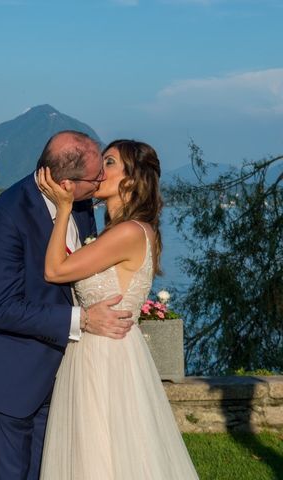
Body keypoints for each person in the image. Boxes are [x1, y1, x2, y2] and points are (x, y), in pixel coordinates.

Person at [0, 131, 135, 480]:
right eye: (95, 177)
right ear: (65, 183)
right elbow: (3, 308)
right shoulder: (6, 216)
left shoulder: (84, 205)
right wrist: (83, 320)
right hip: (13, 381)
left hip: (66, 377)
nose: (101, 180)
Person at [38, 139, 199, 479]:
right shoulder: (123, 230)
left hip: (106, 357)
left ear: (130, 180)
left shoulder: (127, 232)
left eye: (108, 163)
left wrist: (63, 206)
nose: (98, 170)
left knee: (103, 454)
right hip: (98, 350)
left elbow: (54, 270)